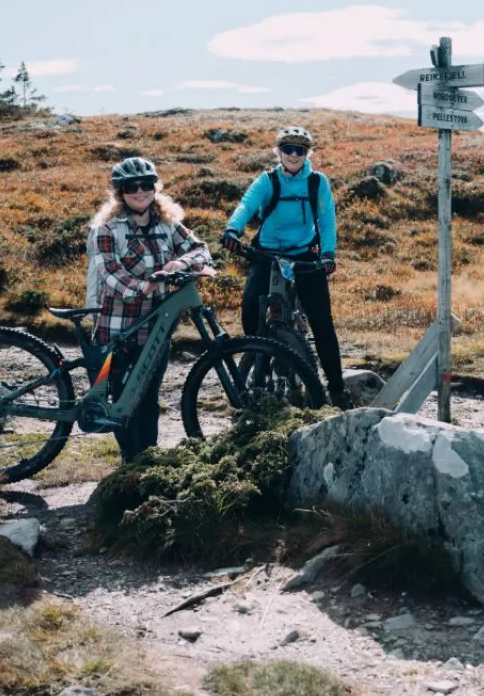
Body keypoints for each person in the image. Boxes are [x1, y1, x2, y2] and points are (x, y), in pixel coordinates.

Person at [88, 157, 212, 462]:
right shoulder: (107, 229)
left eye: (147, 185)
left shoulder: (167, 225)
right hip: (116, 326)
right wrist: (144, 286)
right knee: (120, 399)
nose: (140, 192)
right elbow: (110, 274)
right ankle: (130, 462)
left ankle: (147, 460)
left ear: (155, 188)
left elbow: (200, 250)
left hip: (155, 328)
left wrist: (178, 264)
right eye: (132, 187)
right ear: (120, 193)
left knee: (148, 397)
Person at [220, 126, 347, 408]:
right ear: (278, 152)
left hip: (305, 256)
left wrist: (328, 254)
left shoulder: (317, 182)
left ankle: (338, 390)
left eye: (299, 150)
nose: (293, 154)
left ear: (306, 154)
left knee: (322, 324)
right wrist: (232, 230)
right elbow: (246, 205)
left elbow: (327, 220)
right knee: (251, 306)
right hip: (268, 254)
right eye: (287, 149)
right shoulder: (268, 181)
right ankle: (257, 354)